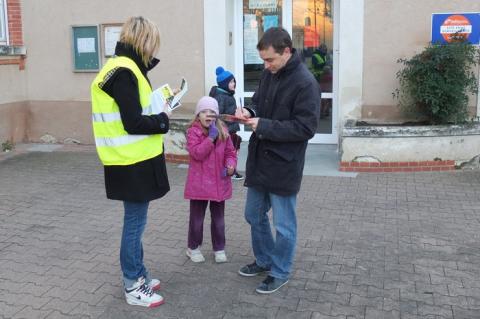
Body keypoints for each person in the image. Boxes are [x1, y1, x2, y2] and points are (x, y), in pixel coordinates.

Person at [90, 16, 170, 308]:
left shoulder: (122, 67)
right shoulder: (124, 72)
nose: (153, 49)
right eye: (152, 42)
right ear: (143, 40)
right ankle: (133, 285)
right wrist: (162, 121)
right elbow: (133, 122)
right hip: (130, 162)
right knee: (134, 224)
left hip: (129, 160)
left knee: (137, 222)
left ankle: (139, 274)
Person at [236, 27, 321, 294]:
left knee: (284, 226)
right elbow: (259, 102)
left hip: (285, 164)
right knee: (253, 214)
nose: (265, 65)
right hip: (261, 160)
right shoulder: (268, 73)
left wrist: (264, 126)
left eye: (270, 59)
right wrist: (248, 111)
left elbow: (305, 128)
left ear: (286, 51)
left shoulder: (306, 83)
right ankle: (264, 260)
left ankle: (280, 270)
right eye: (263, 60)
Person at [184, 96, 237, 263]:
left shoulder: (223, 131)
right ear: (198, 115)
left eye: (212, 112)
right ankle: (193, 248)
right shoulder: (193, 131)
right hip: (199, 185)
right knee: (197, 220)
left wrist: (230, 165)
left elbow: (230, 153)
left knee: (219, 220)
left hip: (219, 184)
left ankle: (219, 248)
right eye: (204, 111)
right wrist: (210, 139)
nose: (209, 115)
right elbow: (197, 153)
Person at [209, 66, 244, 181]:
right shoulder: (221, 97)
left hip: (230, 129)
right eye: (231, 82)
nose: (234, 84)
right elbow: (217, 116)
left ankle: (231, 170)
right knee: (230, 151)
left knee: (233, 150)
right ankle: (230, 171)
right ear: (224, 84)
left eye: (234, 81)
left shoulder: (227, 95)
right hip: (226, 131)